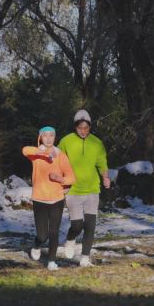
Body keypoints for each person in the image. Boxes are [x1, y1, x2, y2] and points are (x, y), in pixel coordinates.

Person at [58, 110, 110, 267]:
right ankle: (70, 238)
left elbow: (102, 162)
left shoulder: (96, 143)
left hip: (92, 190)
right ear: (75, 127)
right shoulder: (66, 141)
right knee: (77, 225)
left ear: (90, 127)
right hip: (73, 190)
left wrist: (105, 177)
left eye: (86, 127)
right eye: (80, 127)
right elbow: (58, 161)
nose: (83, 130)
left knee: (90, 225)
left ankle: (85, 258)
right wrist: (60, 181)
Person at [22, 126, 76, 270]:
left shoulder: (61, 155)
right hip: (39, 199)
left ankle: (52, 261)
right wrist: (44, 152)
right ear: (40, 137)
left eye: (51, 135)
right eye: (45, 135)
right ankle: (37, 244)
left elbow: (71, 177)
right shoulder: (36, 154)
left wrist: (61, 179)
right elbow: (25, 150)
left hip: (57, 199)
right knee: (42, 235)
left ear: (55, 137)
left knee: (54, 232)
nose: (48, 138)